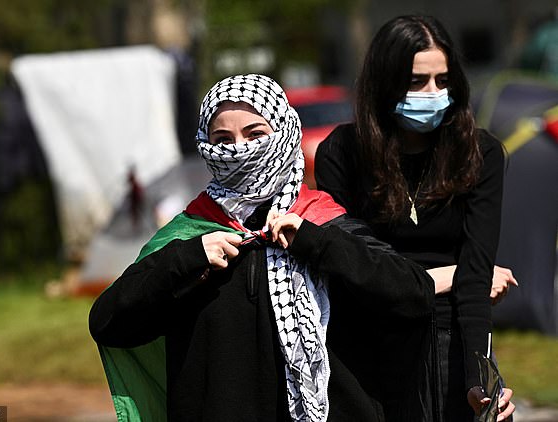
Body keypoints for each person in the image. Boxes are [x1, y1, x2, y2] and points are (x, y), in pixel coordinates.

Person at [89, 73, 437, 421]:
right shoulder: (189, 236)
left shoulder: (325, 222)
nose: (239, 148)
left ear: (284, 133)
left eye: (255, 134)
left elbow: (412, 294)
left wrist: (317, 243)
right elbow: (108, 322)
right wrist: (186, 259)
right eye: (222, 139)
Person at [314, 15, 516, 421]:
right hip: (367, 344)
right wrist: (448, 274)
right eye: (416, 82)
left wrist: (478, 377)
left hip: (448, 337)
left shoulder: (480, 154)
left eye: (442, 81)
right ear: (384, 82)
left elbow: (475, 279)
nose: (433, 93)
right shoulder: (342, 153)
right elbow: (355, 267)